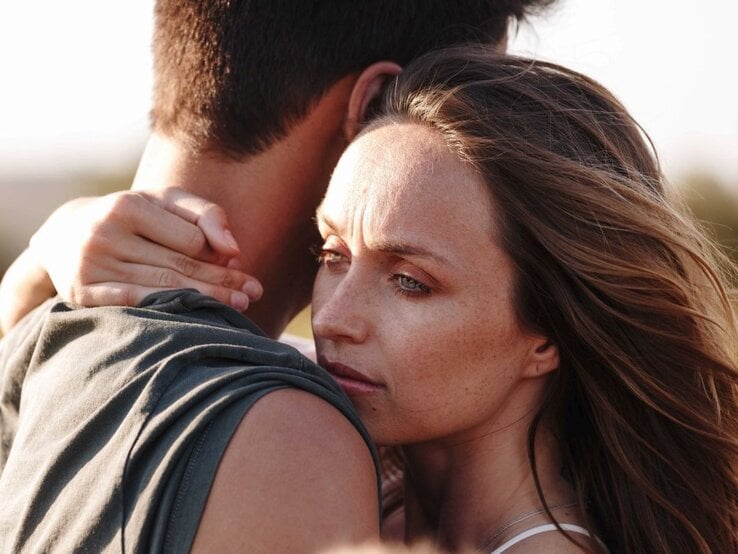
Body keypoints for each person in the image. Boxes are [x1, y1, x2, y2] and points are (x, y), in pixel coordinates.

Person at [21, 48, 738, 552]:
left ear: (546, 332)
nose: (333, 318)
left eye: (410, 283)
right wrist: (51, 248)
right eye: (332, 256)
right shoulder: (366, 452)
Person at [0, 2, 556, 552]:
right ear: (378, 105)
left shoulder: (35, 347)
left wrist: (29, 277)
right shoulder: (291, 443)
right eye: (469, 98)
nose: (333, 320)